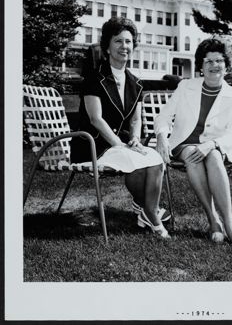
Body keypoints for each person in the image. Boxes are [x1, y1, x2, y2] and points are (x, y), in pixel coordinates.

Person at [70, 17, 170, 238]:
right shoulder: (94, 79)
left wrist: (134, 139)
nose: (124, 46)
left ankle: (146, 210)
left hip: (121, 142)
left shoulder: (137, 83)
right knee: (134, 161)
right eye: (118, 41)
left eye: (128, 41)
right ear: (107, 46)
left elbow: (136, 120)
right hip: (92, 144)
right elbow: (95, 118)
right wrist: (121, 146)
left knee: (154, 159)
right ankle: (153, 216)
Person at [155, 38, 232, 250]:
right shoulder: (186, 86)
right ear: (200, 65)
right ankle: (212, 218)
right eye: (208, 61)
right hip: (183, 144)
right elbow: (163, 118)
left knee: (213, 154)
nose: (214, 65)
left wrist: (212, 144)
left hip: (213, 147)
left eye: (219, 60)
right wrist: (161, 136)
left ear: (226, 64)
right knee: (191, 154)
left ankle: (229, 226)